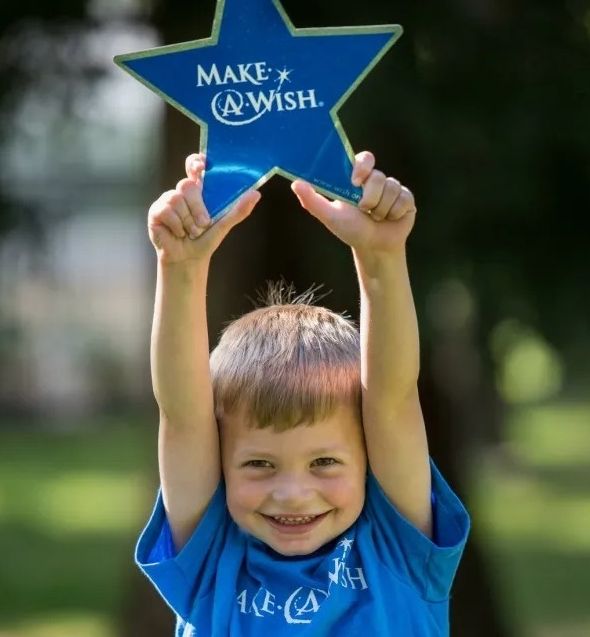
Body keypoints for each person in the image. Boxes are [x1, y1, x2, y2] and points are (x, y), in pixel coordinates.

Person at [138, 150, 470, 636]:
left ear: (368, 457)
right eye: (259, 464)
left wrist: (380, 259)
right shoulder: (211, 562)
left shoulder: (397, 550)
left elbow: (393, 400)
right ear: (220, 463)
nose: (292, 494)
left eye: (324, 463)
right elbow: (183, 416)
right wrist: (181, 267)